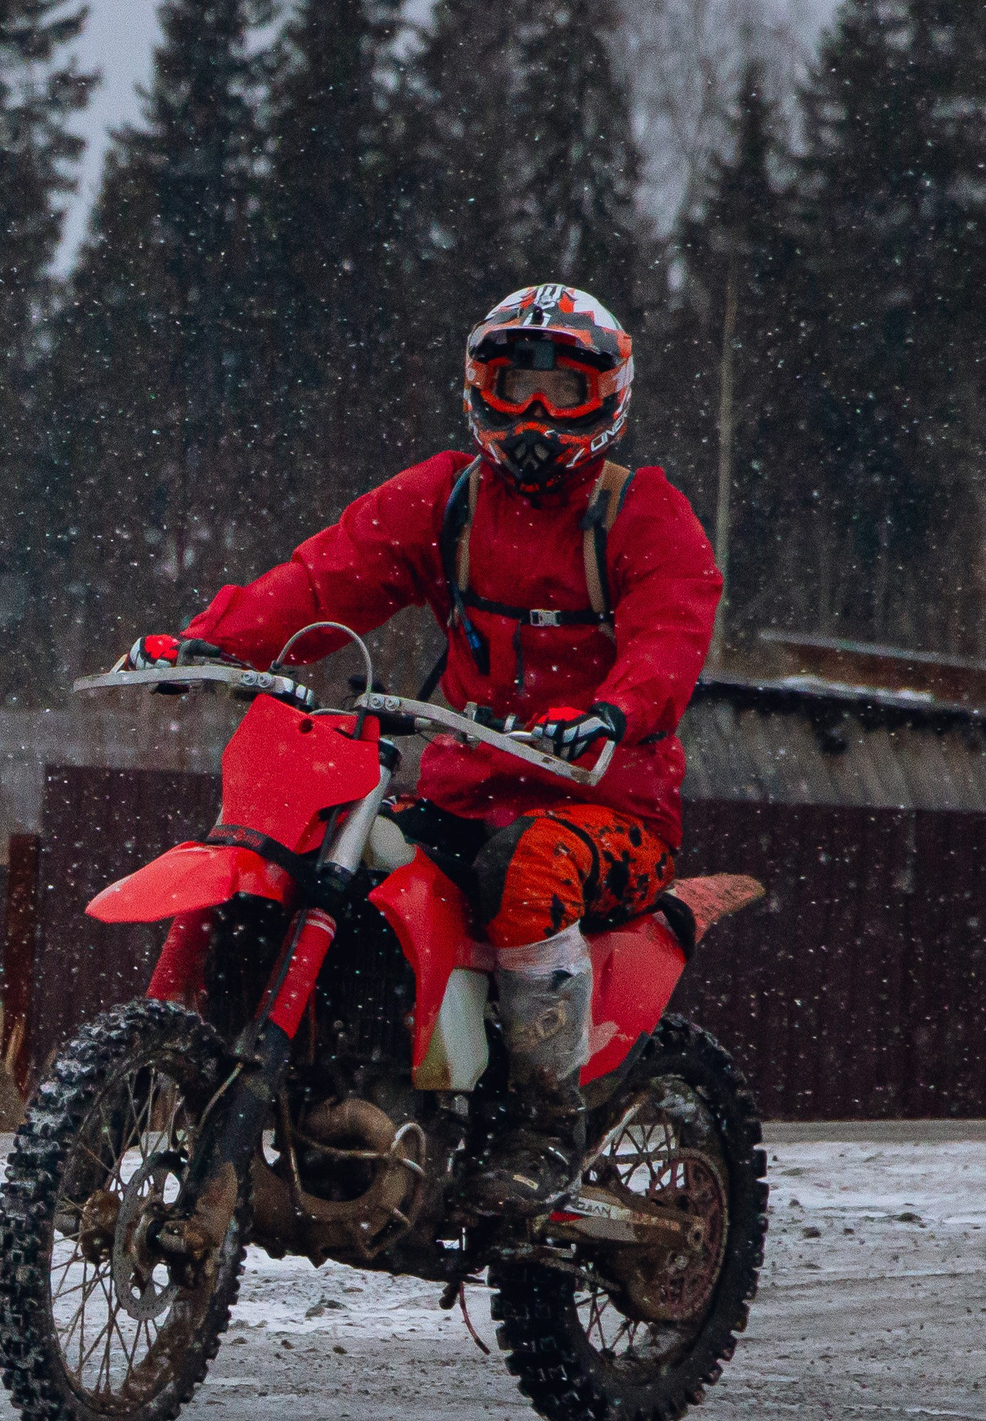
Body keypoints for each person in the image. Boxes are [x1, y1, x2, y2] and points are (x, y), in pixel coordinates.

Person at [125, 283, 722, 1216]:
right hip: (462, 788)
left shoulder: (642, 514)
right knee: (329, 855)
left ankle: (540, 1126)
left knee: (521, 876)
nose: (533, 413)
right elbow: (325, 578)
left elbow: (673, 635)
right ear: (477, 387)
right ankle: (288, 1079)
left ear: (607, 397)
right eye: (512, 384)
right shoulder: (447, 499)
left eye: (561, 392)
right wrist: (213, 641)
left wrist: (612, 710)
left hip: (608, 807)